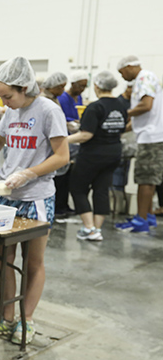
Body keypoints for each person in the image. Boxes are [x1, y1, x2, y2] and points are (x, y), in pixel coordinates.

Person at [0, 56, 69, 344]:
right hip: (7, 194)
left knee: (32, 262)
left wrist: (29, 173)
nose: (4, 103)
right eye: (0, 97)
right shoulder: (11, 112)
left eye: (8, 96)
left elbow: (62, 157)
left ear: (25, 88)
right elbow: (0, 139)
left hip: (35, 197)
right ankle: (6, 316)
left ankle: (25, 319)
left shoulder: (48, 111)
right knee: (4, 259)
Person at [68, 71, 127, 241]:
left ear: (97, 86)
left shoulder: (95, 107)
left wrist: (63, 140)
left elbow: (86, 135)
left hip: (93, 155)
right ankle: (97, 229)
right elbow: (120, 128)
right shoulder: (121, 105)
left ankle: (88, 228)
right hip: (114, 153)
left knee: (78, 188)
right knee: (101, 190)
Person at [115, 56, 163, 232]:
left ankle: (140, 220)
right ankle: (148, 216)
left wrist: (124, 113)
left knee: (145, 180)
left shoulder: (144, 77)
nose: (122, 77)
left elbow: (146, 105)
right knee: (147, 180)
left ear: (129, 66)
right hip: (148, 134)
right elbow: (140, 116)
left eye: (122, 73)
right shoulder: (143, 80)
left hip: (151, 137)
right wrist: (121, 128)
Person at [54, 71, 87, 218]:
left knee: (69, 175)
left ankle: (65, 204)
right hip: (65, 138)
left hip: (75, 139)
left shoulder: (78, 97)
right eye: (80, 86)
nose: (82, 89)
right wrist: (70, 123)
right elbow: (60, 115)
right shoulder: (63, 98)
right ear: (73, 84)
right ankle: (58, 206)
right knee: (60, 174)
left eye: (85, 86)